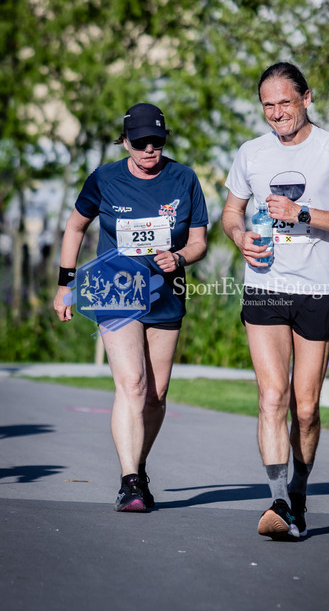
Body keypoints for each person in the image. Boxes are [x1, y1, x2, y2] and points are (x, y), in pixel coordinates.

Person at [222, 62, 329, 539]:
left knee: (305, 408)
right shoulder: (251, 153)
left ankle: (299, 496)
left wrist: (301, 212)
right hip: (265, 284)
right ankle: (279, 502)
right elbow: (231, 212)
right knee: (272, 396)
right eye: (268, 105)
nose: (277, 112)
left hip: (318, 290)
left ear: (307, 98)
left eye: (285, 102)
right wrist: (239, 236)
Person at [54, 103, 208, 512]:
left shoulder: (185, 178)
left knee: (155, 395)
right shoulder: (104, 178)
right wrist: (65, 284)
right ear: (125, 142)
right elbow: (74, 227)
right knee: (133, 383)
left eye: (157, 141)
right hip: (114, 291)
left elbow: (199, 242)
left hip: (166, 293)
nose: (149, 149)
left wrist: (180, 257)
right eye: (140, 143)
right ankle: (129, 482)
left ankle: (137, 466)